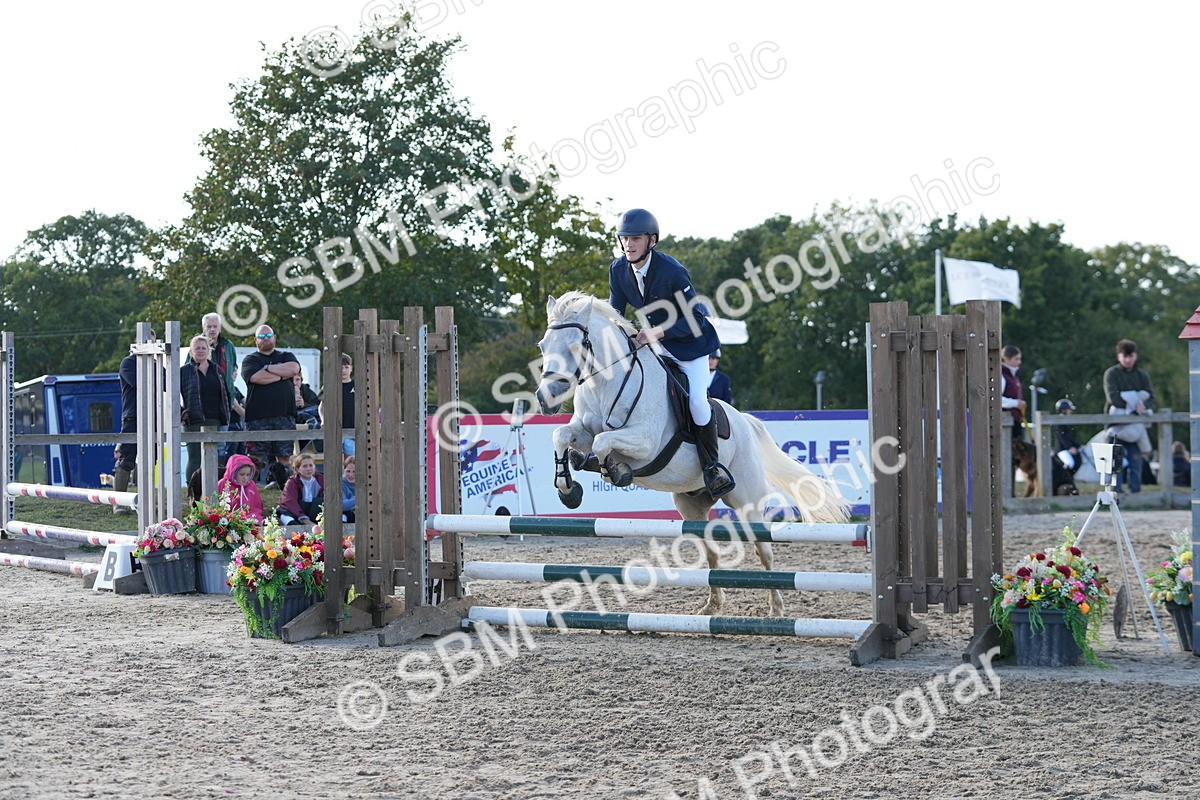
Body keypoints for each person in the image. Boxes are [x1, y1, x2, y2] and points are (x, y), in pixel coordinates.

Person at [608, 208, 732, 497]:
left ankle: (712, 467)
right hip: (655, 349)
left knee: (699, 404)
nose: (629, 244)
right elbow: (616, 314)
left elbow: (697, 319)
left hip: (690, 349)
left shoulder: (673, 271)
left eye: (635, 238)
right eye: (624, 238)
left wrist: (656, 332)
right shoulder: (617, 270)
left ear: (652, 240)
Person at [241, 324, 301, 485]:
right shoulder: (250, 360)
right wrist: (282, 375)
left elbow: (294, 369)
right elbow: (257, 378)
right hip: (257, 417)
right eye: (261, 336)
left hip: (284, 415)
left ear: (274, 337)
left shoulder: (287, 355)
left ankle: (286, 489)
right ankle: (249, 489)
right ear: (255, 340)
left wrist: (268, 368)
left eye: (269, 335)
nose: (265, 339)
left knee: (284, 457)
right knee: (255, 458)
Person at [112, 330, 154, 515]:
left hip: (154, 417)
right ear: (136, 343)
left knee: (149, 460)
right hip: (132, 416)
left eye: (152, 340)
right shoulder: (128, 363)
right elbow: (141, 383)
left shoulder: (156, 363)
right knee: (126, 458)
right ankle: (118, 502)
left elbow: (166, 384)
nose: (149, 343)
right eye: (145, 340)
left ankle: (144, 501)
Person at [1103, 338, 1154, 494]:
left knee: (1136, 459)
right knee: (1114, 460)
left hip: (1135, 425)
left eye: (1130, 356)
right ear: (1119, 356)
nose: (1127, 359)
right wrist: (1133, 404)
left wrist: (1144, 405)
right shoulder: (1112, 373)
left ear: (1135, 356)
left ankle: (1135, 491)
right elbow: (1113, 398)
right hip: (1116, 423)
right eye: (1124, 356)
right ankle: (1115, 492)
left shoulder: (1142, 375)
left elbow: (1151, 397)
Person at [180, 335, 231, 488]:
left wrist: (225, 415)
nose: (200, 351)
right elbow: (173, 395)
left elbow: (226, 393)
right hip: (193, 420)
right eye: (197, 348)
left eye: (204, 348)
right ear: (191, 351)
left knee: (212, 457)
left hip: (214, 419)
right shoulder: (183, 371)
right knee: (195, 457)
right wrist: (181, 413)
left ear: (209, 351)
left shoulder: (217, 370)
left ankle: (213, 489)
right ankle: (192, 490)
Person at [196, 312, 245, 461]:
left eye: (215, 326)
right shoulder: (197, 345)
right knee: (203, 446)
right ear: (203, 328)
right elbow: (187, 369)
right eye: (209, 326)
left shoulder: (228, 345)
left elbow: (234, 364)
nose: (212, 329)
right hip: (203, 403)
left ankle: (220, 483)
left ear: (220, 328)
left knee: (222, 446)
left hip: (224, 402)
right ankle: (202, 482)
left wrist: (233, 372)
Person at [1000, 345, 1032, 495]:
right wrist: (1016, 403)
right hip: (1006, 422)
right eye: (1016, 358)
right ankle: (1007, 492)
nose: (1019, 362)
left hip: (1015, 420)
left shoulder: (1013, 376)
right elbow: (996, 399)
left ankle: (1011, 491)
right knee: (1009, 457)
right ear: (1006, 359)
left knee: (1015, 457)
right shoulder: (1002, 375)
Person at [319, 353, 356, 456]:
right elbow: (322, 406)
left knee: (351, 462)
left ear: (351, 368)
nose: (343, 370)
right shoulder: (330, 385)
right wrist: (323, 420)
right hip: (334, 431)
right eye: (341, 367)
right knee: (334, 461)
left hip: (352, 430)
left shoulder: (358, 385)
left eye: (346, 367)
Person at [276, 452, 324, 525]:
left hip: (315, 512)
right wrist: (304, 519)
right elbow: (290, 502)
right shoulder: (292, 482)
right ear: (297, 469)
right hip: (296, 512)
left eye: (311, 465)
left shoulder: (321, 479)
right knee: (287, 518)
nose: (308, 469)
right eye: (304, 466)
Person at [217, 453, 265, 522]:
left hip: (250, 520)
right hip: (229, 521)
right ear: (233, 472)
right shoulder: (222, 484)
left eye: (248, 475)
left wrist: (252, 518)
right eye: (242, 474)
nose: (245, 478)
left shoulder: (251, 485)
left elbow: (257, 508)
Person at [1051, 398, 1081, 496]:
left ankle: (1070, 482)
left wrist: (1078, 445)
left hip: (1066, 448)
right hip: (1061, 449)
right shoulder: (1059, 421)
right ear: (1063, 410)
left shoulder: (1066, 421)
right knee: (1070, 463)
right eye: (1069, 409)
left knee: (1076, 462)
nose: (1071, 411)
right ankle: (1066, 480)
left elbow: (1069, 437)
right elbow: (1062, 437)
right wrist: (1070, 447)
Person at [341, 455, 356, 523]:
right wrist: (360, 498)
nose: (351, 475)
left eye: (354, 471)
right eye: (348, 471)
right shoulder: (340, 483)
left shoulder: (367, 483)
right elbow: (343, 505)